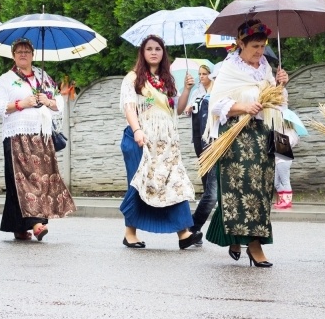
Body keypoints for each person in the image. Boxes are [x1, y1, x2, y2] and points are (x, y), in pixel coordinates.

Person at [203, 20, 290, 267]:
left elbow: (277, 103)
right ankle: (253, 246)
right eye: (254, 46)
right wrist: (243, 107)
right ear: (240, 43)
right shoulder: (229, 69)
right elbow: (216, 105)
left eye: (262, 46)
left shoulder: (265, 68)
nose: (259, 52)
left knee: (261, 191)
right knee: (240, 190)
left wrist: (281, 84)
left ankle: (238, 237)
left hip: (263, 135)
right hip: (236, 137)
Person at [119, 35, 202, 250]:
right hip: (141, 139)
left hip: (166, 143)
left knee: (174, 183)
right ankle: (130, 233)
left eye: (158, 48)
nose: (154, 52)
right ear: (142, 52)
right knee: (139, 184)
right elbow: (130, 107)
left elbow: (179, 110)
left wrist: (186, 90)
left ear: (163, 52)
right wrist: (137, 130)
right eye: (149, 49)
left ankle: (183, 234)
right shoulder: (132, 78)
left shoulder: (167, 81)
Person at [0, 38, 75, 241]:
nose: (22, 54)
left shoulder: (42, 76)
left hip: (42, 136)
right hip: (17, 136)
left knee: (39, 180)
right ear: (13, 55)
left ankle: (19, 226)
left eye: (26, 51)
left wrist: (49, 100)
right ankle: (37, 224)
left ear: (33, 54)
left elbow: (59, 104)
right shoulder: (6, 79)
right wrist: (22, 103)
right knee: (26, 181)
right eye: (18, 51)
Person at [186, 64, 217, 235]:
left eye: (204, 73)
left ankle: (192, 229)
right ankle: (193, 230)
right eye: (200, 74)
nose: (201, 76)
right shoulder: (197, 92)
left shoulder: (216, 92)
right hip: (200, 139)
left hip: (213, 141)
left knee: (212, 194)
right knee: (209, 192)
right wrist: (189, 108)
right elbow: (189, 110)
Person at [273, 115, 299, 210]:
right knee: (276, 183)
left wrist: (281, 138)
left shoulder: (290, 132)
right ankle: (283, 200)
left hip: (283, 159)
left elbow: (288, 144)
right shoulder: (280, 129)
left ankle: (287, 202)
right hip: (279, 159)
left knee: (285, 181)